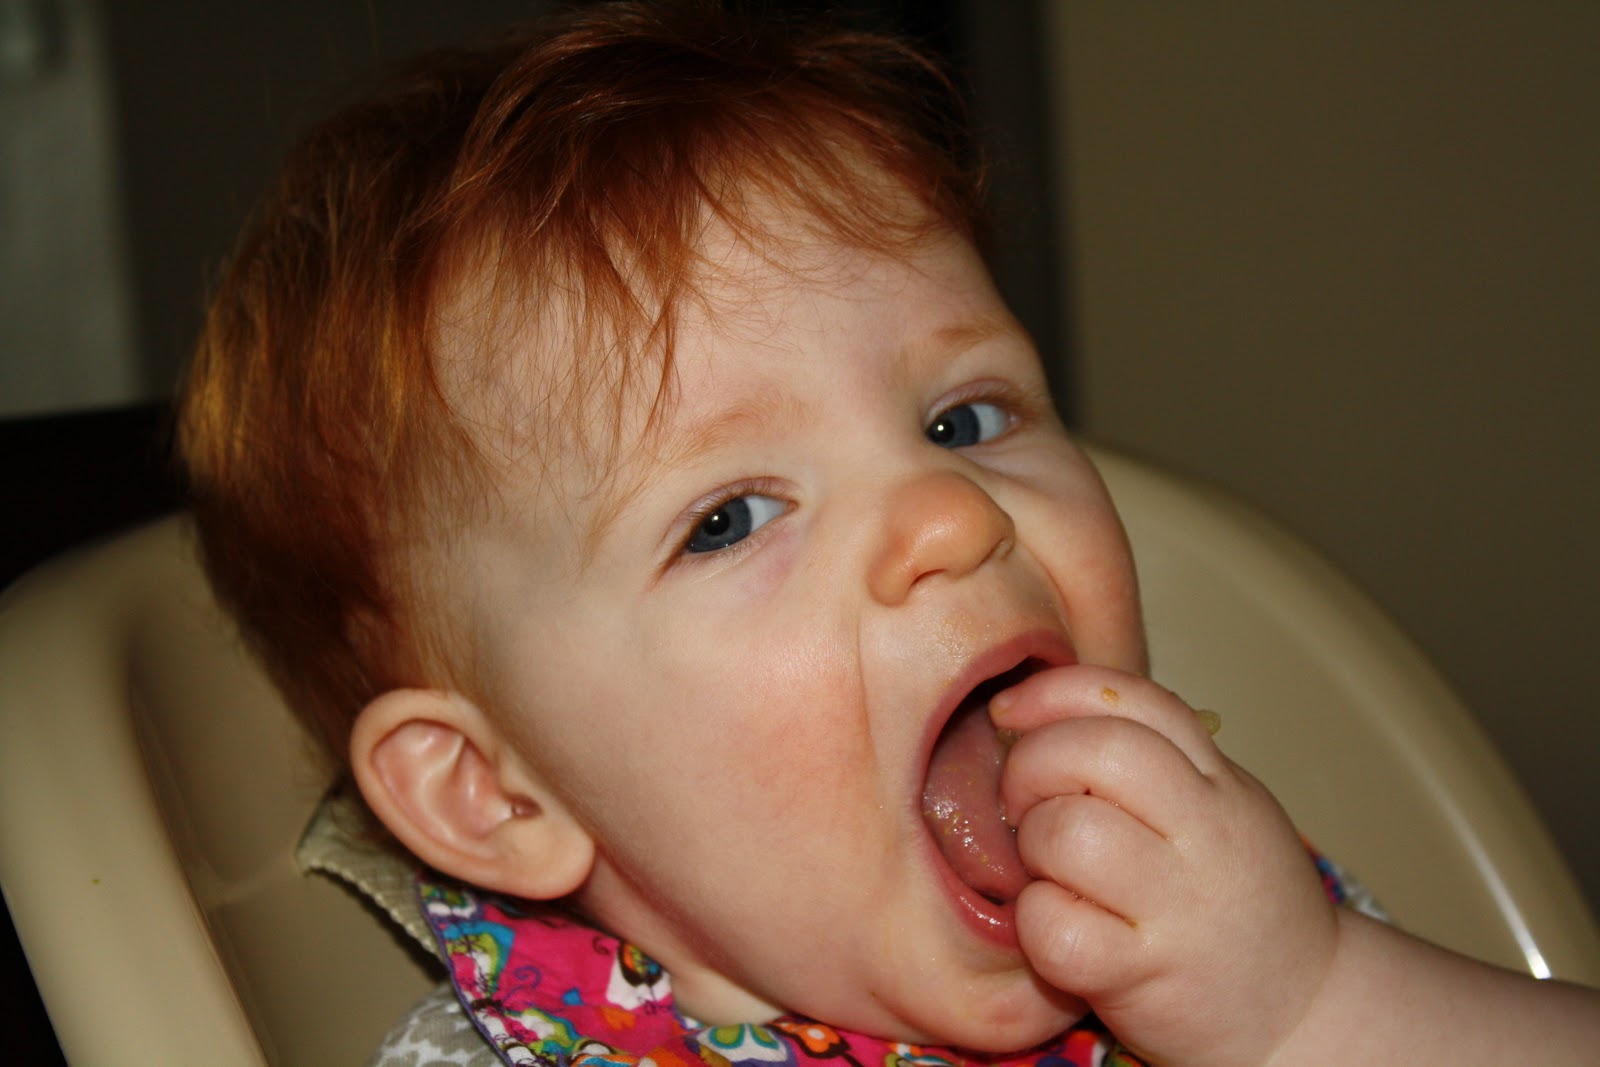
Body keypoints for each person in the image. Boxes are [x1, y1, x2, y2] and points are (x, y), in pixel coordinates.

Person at [177, 3, 1600, 1064]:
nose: (951, 513)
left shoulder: (1231, 932)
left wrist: (1309, 1007)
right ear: (498, 793)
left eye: (964, 419)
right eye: (728, 518)